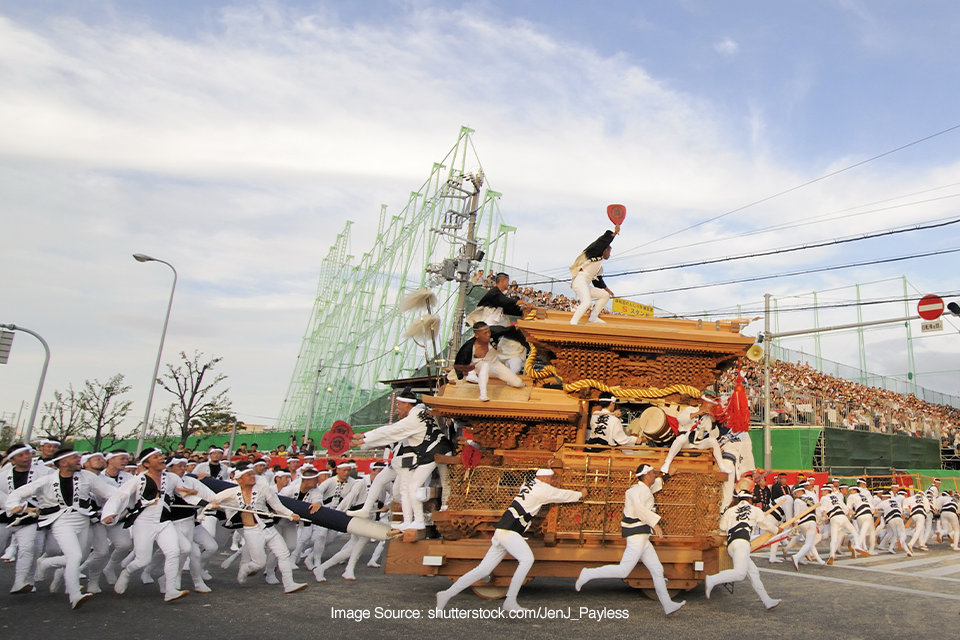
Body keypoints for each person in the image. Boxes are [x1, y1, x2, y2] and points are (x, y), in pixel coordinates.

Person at [436, 469, 582, 612]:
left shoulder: (528, 484)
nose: (552, 481)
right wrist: (581, 494)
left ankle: (446, 594)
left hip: (501, 532)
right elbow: (562, 495)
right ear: (543, 478)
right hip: (509, 532)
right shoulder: (542, 489)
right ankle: (510, 600)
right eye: (551, 478)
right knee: (527, 559)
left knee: (482, 570)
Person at [5, 449, 117, 609]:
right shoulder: (47, 480)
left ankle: (46, 563)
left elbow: (111, 493)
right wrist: (17, 507)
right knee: (75, 555)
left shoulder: (88, 477)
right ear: (63, 462)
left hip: (83, 520)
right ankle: (75, 595)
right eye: (74, 457)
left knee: (81, 557)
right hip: (61, 521)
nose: (79, 459)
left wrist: (112, 510)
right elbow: (19, 493)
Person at [575, 465, 684, 615]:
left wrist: (667, 476)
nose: (654, 475)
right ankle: (588, 574)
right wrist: (655, 524)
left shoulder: (642, 489)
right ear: (646, 476)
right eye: (652, 473)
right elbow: (640, 510)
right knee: (623, 570)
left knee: (657, 570)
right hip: (636, 536)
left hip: (642, 536)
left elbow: (654, 486)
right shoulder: (637, 492)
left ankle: (667, 605)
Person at [101, 447, 196, 602]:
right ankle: (126, 573)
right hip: (144, 522)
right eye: (156, 457)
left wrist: (203, 499)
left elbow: (182, 492)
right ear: (146, 463)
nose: (161, 458)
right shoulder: (138, 480)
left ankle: (171, 589)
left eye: (161, 456)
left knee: (174, 552)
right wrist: (109, 513)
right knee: (142, 560)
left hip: (164, 521)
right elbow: (120, 496)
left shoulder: (170, 478)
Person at [350, 388, 446, 529]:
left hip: (423, 456)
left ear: (407, 405)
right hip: (410, 460)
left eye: (399, 405)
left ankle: (418, 519)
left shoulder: (413, 420)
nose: (396, 409)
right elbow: (388, 434)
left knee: (409, 489)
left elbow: (390, 432)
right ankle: (406, 519)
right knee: (399, 489)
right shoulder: (415, 417)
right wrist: (364, 440)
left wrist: (365, 438)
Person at [206, 461, 308, 594]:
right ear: (239, 479)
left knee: (283, 554)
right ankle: (245, 569)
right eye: (248, 475)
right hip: (252, 531)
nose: (252, 476)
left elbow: (277, 506)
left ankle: (289, 584)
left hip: (269, 528)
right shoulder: (232, 492)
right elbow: (212, 500)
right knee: (259, 563)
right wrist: (213, 505)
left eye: (252, 474)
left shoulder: (263, 489)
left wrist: (290, 514)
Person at [704, 490, 782, 610]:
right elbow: (766, 525)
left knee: (753, 572)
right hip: (742, 543)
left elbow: (723, 527)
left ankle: (767, 601)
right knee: (740, 573)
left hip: (731, 544)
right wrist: (777, 530)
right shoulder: (755, 510)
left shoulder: (730, 511)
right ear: (750, 500)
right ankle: (712, 579)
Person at [0, 443, 53, 594]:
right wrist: (17, 507)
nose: (26, 457)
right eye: (21, 455)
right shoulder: (3, 476)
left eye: (28, 454)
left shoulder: (44, 472)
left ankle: (20, 582)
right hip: (4, 517)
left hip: (30, 519)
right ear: (12, 459)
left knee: (28, 548)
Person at [660, 390, 732, 476]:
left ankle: (722, 466)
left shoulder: (709, 418)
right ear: (705, 403)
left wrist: (713, 422)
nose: (712, 407)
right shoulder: (690, 409)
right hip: (686, 442)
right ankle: (667, 462)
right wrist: (697, 413)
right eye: (711, 405)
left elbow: (714, 435)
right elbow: (680, 420)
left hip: (698, 443)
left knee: (712, 441)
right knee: (681, 438)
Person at [453, 322, 525, 402]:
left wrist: (516, 326)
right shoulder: (469, 346)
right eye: (485, 333)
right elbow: (459, 361)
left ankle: (515, 382)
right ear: (477, 335)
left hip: (495, 364)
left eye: (489, 331)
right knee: (485, 365)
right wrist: (460, 375)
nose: (488, 334)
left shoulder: (493, 335)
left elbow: (504, 330)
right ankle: (483, 394)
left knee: (518, 383)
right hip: (478, 365)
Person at [568, 225, 618, 325]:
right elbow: (601, 242)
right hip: (579, 281)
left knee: (604, 295)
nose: (609, 255)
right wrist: (614, 234)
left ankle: (593, 317)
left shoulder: (599, 265)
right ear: (605, 250)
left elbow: (597, 281)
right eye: (609, 251)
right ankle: (573, 322)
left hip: (585, 284)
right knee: (586, 302)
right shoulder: (593, 254)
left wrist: (607, 290)